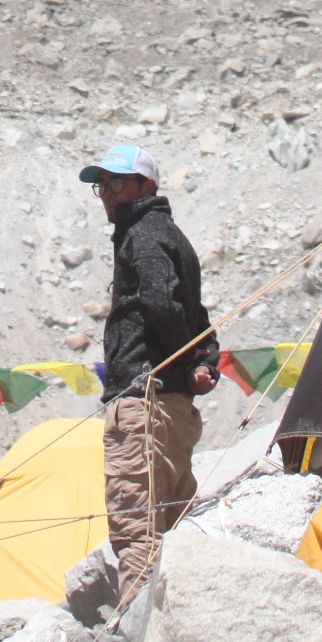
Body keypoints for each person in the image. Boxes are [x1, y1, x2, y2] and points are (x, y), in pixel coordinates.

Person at [80, 141, 219, 602]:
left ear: (147, 185)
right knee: (170, 529)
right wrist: (201, 362)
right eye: (102, 186)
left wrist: (182, 360)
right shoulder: (172, 237)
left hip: (143, 405)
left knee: (137, 531)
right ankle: (171, 641)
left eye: (118, 183)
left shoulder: (141, 234)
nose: (109, 194)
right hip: (174, 410)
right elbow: (197, 316)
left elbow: (161, 303)